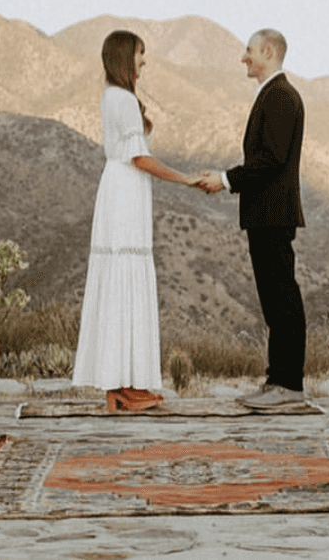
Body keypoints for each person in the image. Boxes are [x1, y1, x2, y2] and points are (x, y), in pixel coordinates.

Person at [72, 30, 200, 411]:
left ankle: (122, 383)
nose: (145, 62)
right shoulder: (123, 100)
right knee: (126, 277)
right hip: (125, 190)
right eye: (141, 55)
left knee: (121, 280)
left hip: (121, 189)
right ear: (126, 58)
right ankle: (123, 385)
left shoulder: (113, 97)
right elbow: (139, 158)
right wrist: (185, 178)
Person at [198, 29, 308, 410]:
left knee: (282, 297)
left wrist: (226, 179)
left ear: (268, 51)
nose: (244, 57)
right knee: (274, 299)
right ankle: (278, 378)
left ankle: (289, 384)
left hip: (273, 214)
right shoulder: (274, 94)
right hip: (265, 214)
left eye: (248, 50)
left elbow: (271, 160)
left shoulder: (280, 96)